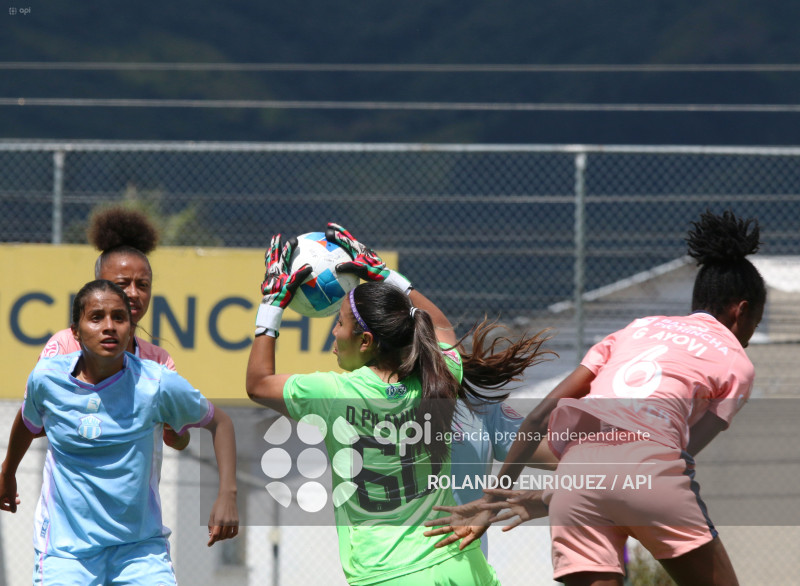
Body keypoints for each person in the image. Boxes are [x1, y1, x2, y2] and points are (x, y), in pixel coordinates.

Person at [426, 210, 766, 586]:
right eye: (756, 321)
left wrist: (494, 500)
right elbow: (679, 453)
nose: (750, 333)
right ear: (742, 311)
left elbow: (539, 417)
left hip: (577, 480)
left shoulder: (636, 330)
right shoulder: (737, 361)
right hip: (651, 480)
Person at [245, 223, 552, 586]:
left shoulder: (334, 394)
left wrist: (271, 305)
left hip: (389, 574)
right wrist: (382, 273)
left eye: (339, 324)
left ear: (366, 342)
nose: (333, 332)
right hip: (461, 566)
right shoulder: (438, 379)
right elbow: (439, 325)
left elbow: (258, 384)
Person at [0, 279, 239, 585]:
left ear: (130, 328)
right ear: (75, 331)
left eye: (119, 318)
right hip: (66, 552)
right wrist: (8, 473)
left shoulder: (156, 383)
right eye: (96, 317)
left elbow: (220, 422)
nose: (109, 326)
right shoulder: (46, 378)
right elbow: (28, 420)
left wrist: (227, 495)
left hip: (140, 551)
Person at [12, 206, 190, 451]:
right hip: (69, 489)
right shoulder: (63, 346)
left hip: (135, 490)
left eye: (143, 284)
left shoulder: (159, 361)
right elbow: (32, 422)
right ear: (99, 286)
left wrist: (173, 424)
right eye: (122, 284)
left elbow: (179, 440)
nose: (134, 293)